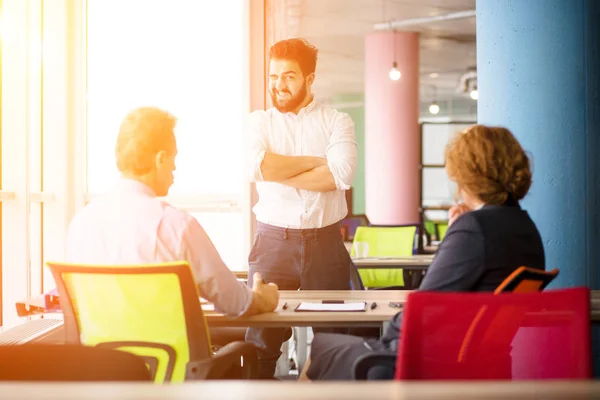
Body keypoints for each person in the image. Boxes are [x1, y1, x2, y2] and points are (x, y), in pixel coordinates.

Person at [301, 124, 546, 381]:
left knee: (320, 347)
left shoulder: (474, 229)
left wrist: (384, 334)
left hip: (426, 362)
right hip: (477, 363)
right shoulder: (525, 229)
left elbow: (422, 310)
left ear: (465, 174)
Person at [66, 107, 279, 317]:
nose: (175, 168)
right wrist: (263, 298)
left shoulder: (81, 224)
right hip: (167, 352)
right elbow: (234, 301)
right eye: (173, 158)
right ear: (160, 159)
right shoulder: (177, 227)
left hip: (98, 351)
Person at [245, 38, 359, 378]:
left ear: (309, 79)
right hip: (271, 244)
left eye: (289, 76)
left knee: (335, 339)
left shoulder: (337, 121)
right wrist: (313, 164)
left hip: (325, 243)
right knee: (262, 341)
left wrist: (278, 171)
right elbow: (255, 168)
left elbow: (340, 174)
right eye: (273, 76)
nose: (279, 85)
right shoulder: (259, 122)